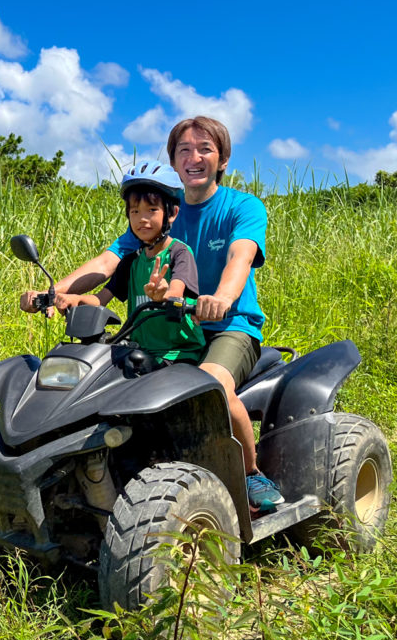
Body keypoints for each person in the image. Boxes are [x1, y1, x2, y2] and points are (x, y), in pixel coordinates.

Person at [20, 116, 283, 513]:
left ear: (223, 159)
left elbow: (240, 256)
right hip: (163, 327)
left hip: (227, 325)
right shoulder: (156, 213)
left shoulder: (242, 207)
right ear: (174, 162)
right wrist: (54, 293)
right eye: (184, 150)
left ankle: (250, 474)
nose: (194, 158)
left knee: (212, 386)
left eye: (205, 149)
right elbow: (108, 263)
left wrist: (221, 298)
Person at [54, 162, 205, 366]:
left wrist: (164, 294)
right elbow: (100, 299)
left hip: (178, 354)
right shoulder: (131, 261)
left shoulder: (180, 253)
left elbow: (176, 292)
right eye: (135, 211)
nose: (142, 219)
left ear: (172, 213)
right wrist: (76, 299)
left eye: (152, 210)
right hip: (140, 351)